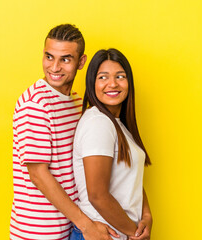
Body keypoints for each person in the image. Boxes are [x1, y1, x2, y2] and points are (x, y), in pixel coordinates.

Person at [10, 24, 119, 240]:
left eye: (65, 59)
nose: (54, 67)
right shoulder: (35, 104)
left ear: (81, 62)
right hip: (38, 232)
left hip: (70, 227)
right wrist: (86, 225)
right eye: (49, 57)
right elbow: (38, 174)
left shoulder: (77, 102)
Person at [71, 48, 153, 240]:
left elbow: (132, 180)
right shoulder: (98, 123)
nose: (113, 84)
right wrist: (134, 233)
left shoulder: (116, 124)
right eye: (103, 77)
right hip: (103, 235)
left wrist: (147, 217)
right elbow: (97, 195)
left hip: (120, 232)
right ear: (92, 83)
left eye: (120, 76)